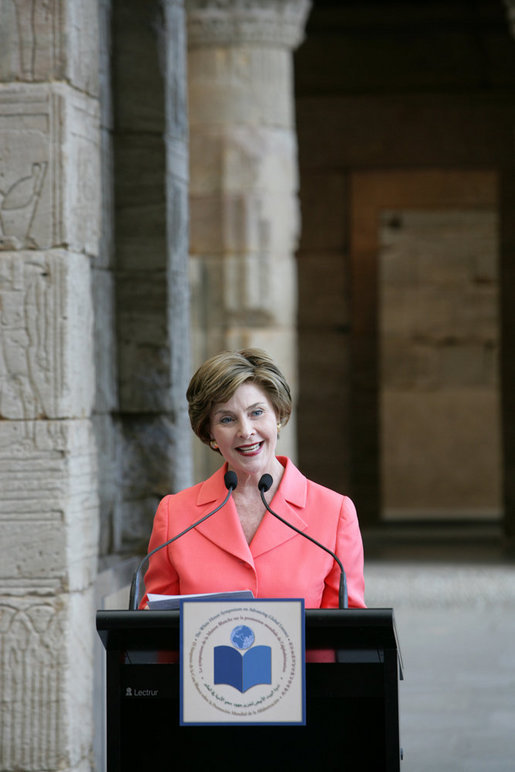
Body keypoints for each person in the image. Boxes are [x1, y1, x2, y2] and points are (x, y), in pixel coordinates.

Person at [140, 348, 365, 609]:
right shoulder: (175, 515)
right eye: (227, 419)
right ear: (209, 433)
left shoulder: (335, 513)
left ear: (278, 416)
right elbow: (153, 627)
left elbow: (350, 631)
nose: (246, 431)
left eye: (257, 413)